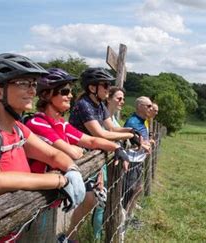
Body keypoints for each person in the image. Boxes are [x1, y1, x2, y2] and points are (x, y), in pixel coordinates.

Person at [0, 53, 85, 241]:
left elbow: (54, 155)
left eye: (33, 84)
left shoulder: (18, 129)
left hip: (11, 226)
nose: (32, 91)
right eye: (23, 83)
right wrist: (58, 181)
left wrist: (72, 170)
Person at [24, 68, 131, 241]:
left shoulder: (62, 124)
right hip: (34, 197)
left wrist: (117, 149)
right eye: (65, 91)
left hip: (51, 193)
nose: (70, 96)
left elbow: (91, 141)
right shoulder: (37, 122)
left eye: (71, 91)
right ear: (46, 95)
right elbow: (71, 151)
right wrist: (74, 149)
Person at [69, 67, 139, 240]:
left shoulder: (99, 104)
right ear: (93, 88)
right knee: (87, 199)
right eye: (105, 86)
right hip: (78, 155)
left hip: (92, 154)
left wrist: (130, 130)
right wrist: (129, 135)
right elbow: (101, 133)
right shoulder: (84, 105)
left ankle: (71, 235)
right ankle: (71, 236)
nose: (108, 89)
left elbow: (112, 128)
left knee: (92, 199)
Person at [123, 96, 153, 220]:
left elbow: (141, 138)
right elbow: (128, 141)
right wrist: (142, 145)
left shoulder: (143, 121)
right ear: (140, 107)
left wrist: (147, 142)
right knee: (129, 192)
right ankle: (122, 218)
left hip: (139, 161)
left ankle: (129, 216)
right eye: (149, 106)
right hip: (132, 161)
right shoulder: (132, 122)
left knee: (137, 189)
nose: (151, 109)